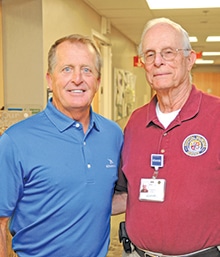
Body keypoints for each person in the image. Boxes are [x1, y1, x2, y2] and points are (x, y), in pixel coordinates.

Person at [0, 34, 123, 257]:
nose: (77, 79)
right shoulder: (15, 141)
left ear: (98, 81)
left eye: (87, 70)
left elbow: (99, 199)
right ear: (49, 79)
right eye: (66, 69)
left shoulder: (113, 135)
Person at [112, 17, 220, 257]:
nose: (158, 61)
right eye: (149, 55)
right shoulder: (136, 122)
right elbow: (125, 192)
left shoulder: (217, 116)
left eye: (168, 52)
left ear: (189, 59)